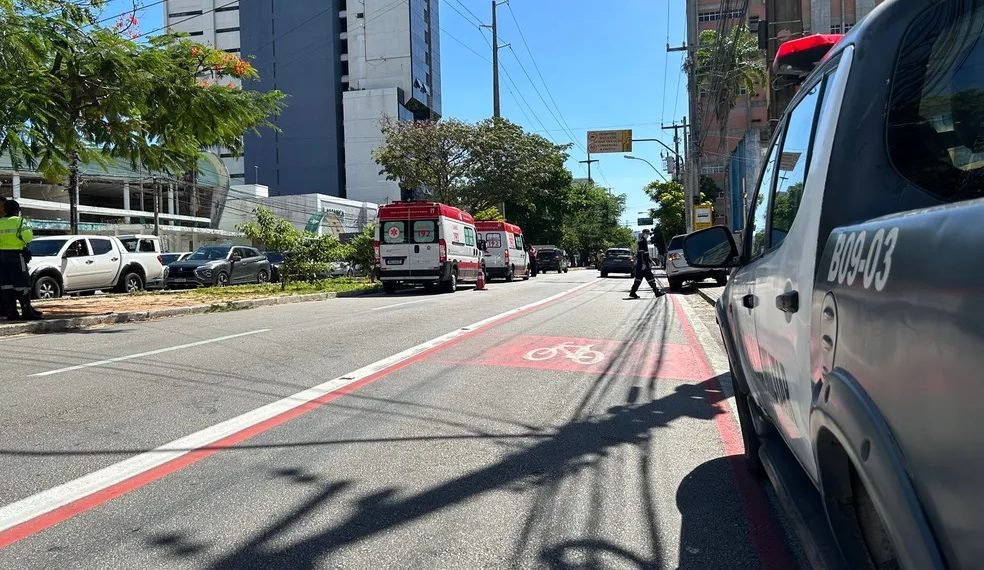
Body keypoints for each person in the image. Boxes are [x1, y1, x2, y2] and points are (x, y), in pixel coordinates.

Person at [0, 200, 41, 320]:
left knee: (6, 285)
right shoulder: (21, 221)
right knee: (23, 284)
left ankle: (11, 313)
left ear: (5, 210)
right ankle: (26, 311)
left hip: (1, 257)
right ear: (17, 210)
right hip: (17, 256)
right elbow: (27, 238)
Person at [628, 228, 664, 299]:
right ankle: (656, 292)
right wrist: (644, 263)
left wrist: (650, 260)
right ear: (644, 233)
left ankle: (633, 292)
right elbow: (641, 254)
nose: (648, 235)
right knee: (650, 277)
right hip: (643, 264)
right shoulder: (642, 241)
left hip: (641, 264)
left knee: (638, 279)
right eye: (647, 234)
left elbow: (645, 254)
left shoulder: (642, 241)